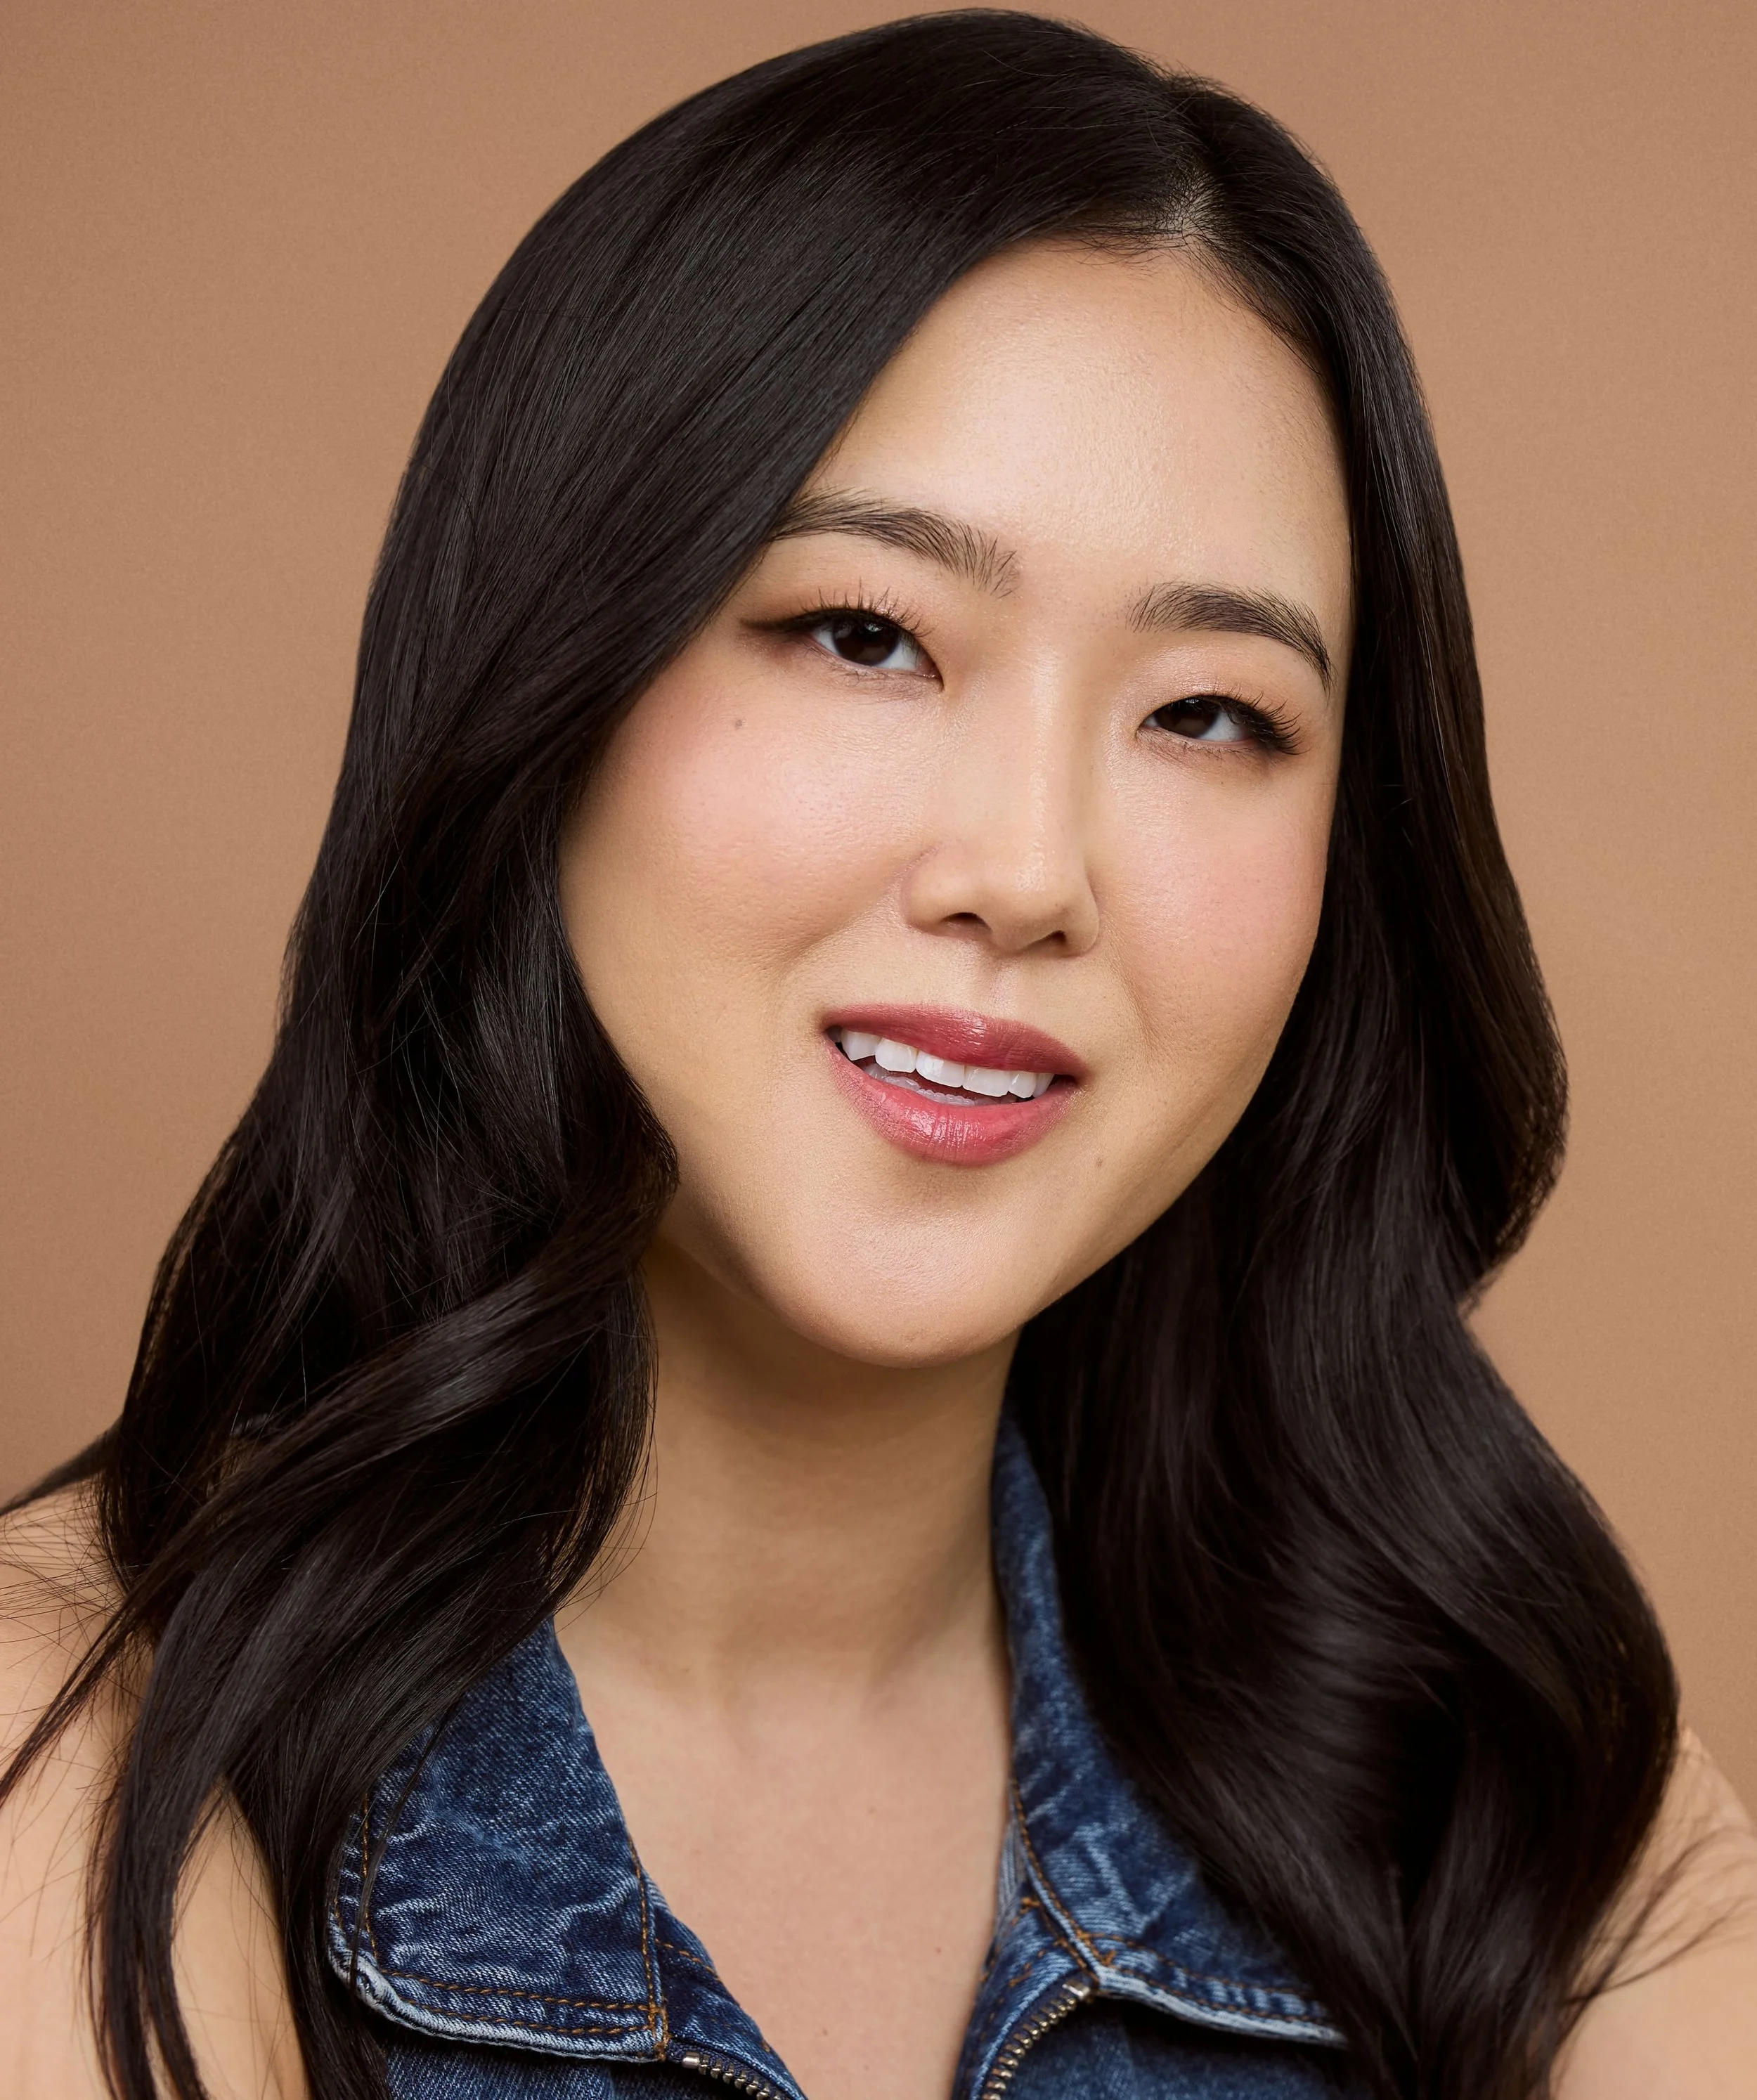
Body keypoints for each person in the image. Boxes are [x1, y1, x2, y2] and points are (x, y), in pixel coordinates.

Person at [3, 12, 1753, 2099]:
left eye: (1208, 713)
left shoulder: (1510, 1792)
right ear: (548, 673)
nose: (1025, 872)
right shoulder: (82, 1758)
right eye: (864, 634)